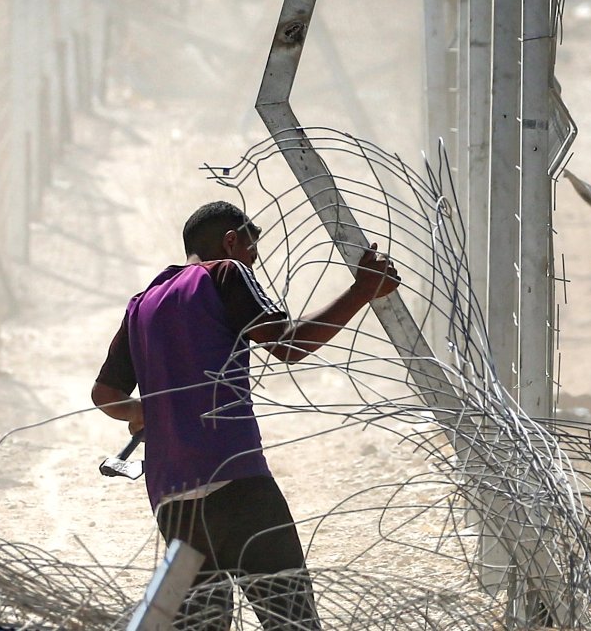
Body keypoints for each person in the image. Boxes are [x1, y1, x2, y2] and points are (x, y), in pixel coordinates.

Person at [90, 201, 399, 631]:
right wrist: (362, 290)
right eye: (251, 251)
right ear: (231, 241)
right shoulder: (225, 274)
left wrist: (143, 410)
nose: (254, 263)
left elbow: (104, 393)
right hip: (237, 485)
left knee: (203, 625)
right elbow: (289, 344)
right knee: (290, 620)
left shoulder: (140, 305)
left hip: (172, 501)